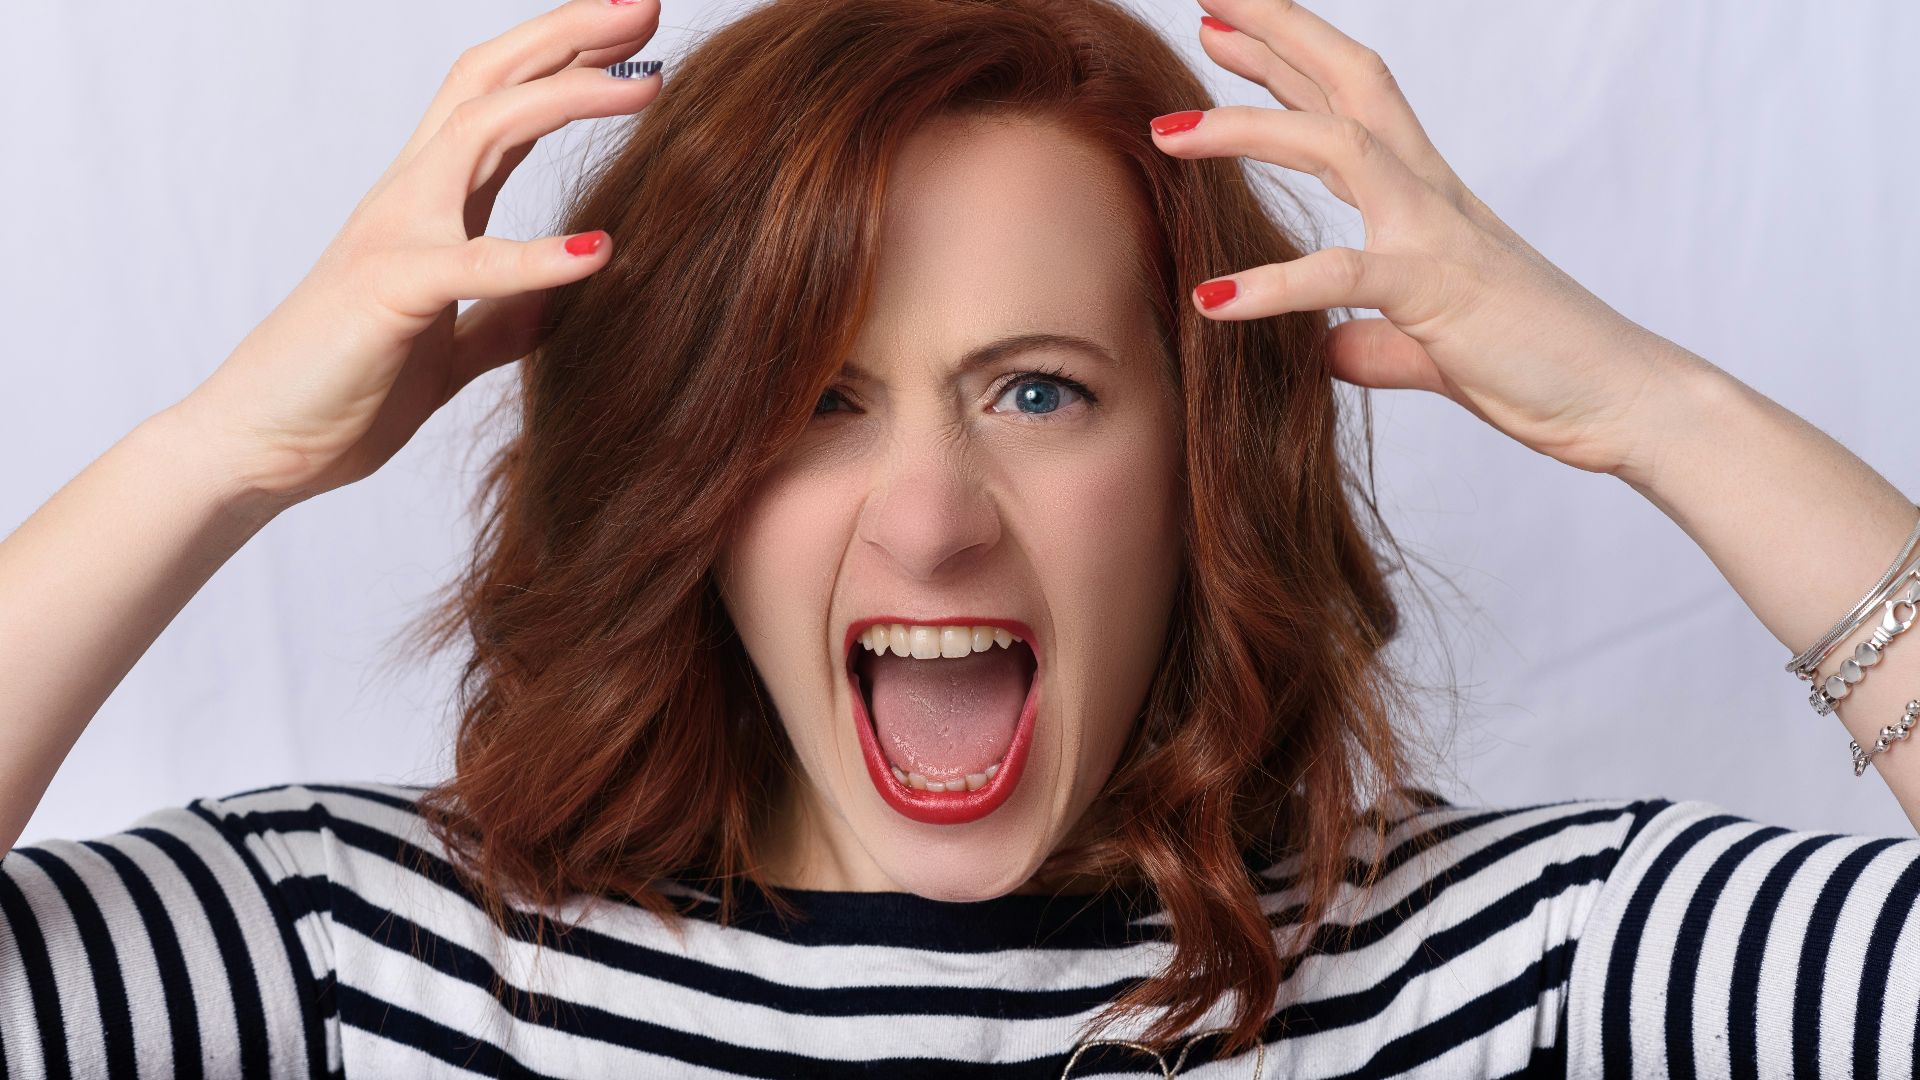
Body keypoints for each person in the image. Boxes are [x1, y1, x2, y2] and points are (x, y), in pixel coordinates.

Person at [2, 0, 1916, 1075]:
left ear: (1198, 468)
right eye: (813, 402)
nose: (927, 521)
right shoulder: (357, 957)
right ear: (684, 473)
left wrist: (1660, 412)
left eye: (1039, 391)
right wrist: (223, 452)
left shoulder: (1522, 967)